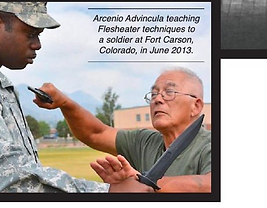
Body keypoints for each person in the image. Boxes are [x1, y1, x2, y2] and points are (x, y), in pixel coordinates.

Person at [0, 2, 128, 193]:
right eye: (30, 34)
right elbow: (6, 176)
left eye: (38, 35)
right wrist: (109, 193)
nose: (37, 44)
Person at [34, 67, 212, 193]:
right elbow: (96, 133)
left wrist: (144, 185)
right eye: (154, 94)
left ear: (196, 106)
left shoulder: (211, 144)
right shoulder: (145, 141)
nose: (158, 99)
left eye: (169, 92)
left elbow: (209, 185)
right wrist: (65, 103)